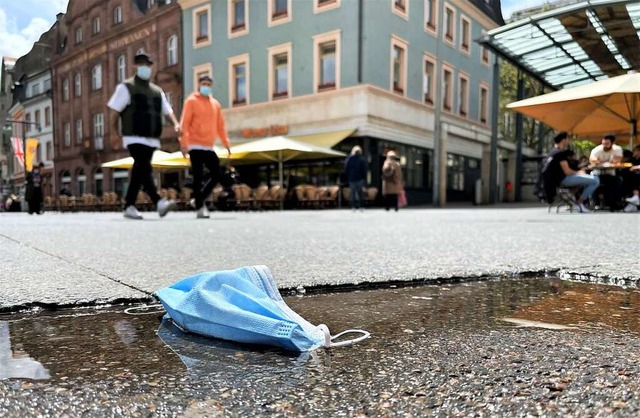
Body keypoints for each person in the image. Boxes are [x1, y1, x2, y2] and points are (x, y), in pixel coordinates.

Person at [107, 53, 180, 220]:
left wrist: (176, 124)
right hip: (133, 136)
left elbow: (167, 110)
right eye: (141, 64)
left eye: (147, 64)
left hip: (152, 137)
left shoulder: (157, 90)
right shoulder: (126, 87)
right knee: (144, 167)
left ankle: (129, 205)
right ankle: (158, 201)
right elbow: (114, 111)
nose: (145, 68)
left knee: (140, 171)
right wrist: (112, 132)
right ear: (134, 67)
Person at [179, 75, 231, 219]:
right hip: (195, 144)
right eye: (203, 84)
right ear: (199, 85)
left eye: (208, 84)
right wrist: (184, 143)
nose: (206, 86)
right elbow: (185, 123)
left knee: (217, 174)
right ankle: (201, 207)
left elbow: (220, 126)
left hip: (208, 146)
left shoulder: (215, 104)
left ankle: (198, 198)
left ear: (211, 86)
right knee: (198, 176)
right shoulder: (191, 101)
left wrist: (226, 143)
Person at [542, 132, 599, 213]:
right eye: (567, 139)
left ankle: (573, 198)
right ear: (564, 140)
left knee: (584, 181)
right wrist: (579, 172)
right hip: (563, 180)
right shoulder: (560, 153)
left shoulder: (551, 152)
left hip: (553, 182)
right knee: (595, 180)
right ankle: (579, 203)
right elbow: (568, 171)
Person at [589, 134, 624, 211]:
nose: (604, 146)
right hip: (598, 173)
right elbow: (592, 160)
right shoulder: (597, 150)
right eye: (603, 144)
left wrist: (602, 162)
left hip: (610, 173)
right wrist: (603, 162)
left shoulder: (617, 149)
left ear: (612, 143)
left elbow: (617, 161)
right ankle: (594, 203)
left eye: (607, 144)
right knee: (593, 181)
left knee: (618, 181)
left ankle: (614, 204)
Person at [344, 145, 368, 211]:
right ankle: (361, 206)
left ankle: (353, 207)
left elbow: (346, 169)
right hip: (360, 179)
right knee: (360, 193)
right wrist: (364, 177)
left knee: (353, 193)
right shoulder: (361, 159)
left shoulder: (349, 159)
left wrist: (348, 176)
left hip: (352, 179)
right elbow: (364, 169)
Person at [622, 145, 640, 212]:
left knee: (634, 177)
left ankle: (635, 198)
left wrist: (637, 167)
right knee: (625, 179)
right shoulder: (633, 160)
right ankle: (632, 203)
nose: (633, 152)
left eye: (634, 150)